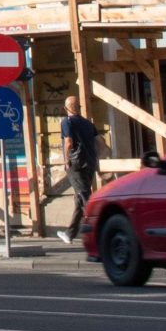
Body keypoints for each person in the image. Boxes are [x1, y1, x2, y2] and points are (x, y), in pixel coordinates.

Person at [61, 95, 103, 239]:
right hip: (90, 163)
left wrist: (66, 160)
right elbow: (100, 141)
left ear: (66, 108)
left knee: (84, 196)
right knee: (80, 197)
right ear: (78, 107)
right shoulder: (88, 123)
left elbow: (68, 142)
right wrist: (98, 157)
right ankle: (70, 233)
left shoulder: (66, 122)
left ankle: (99, 230)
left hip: (76, 164)